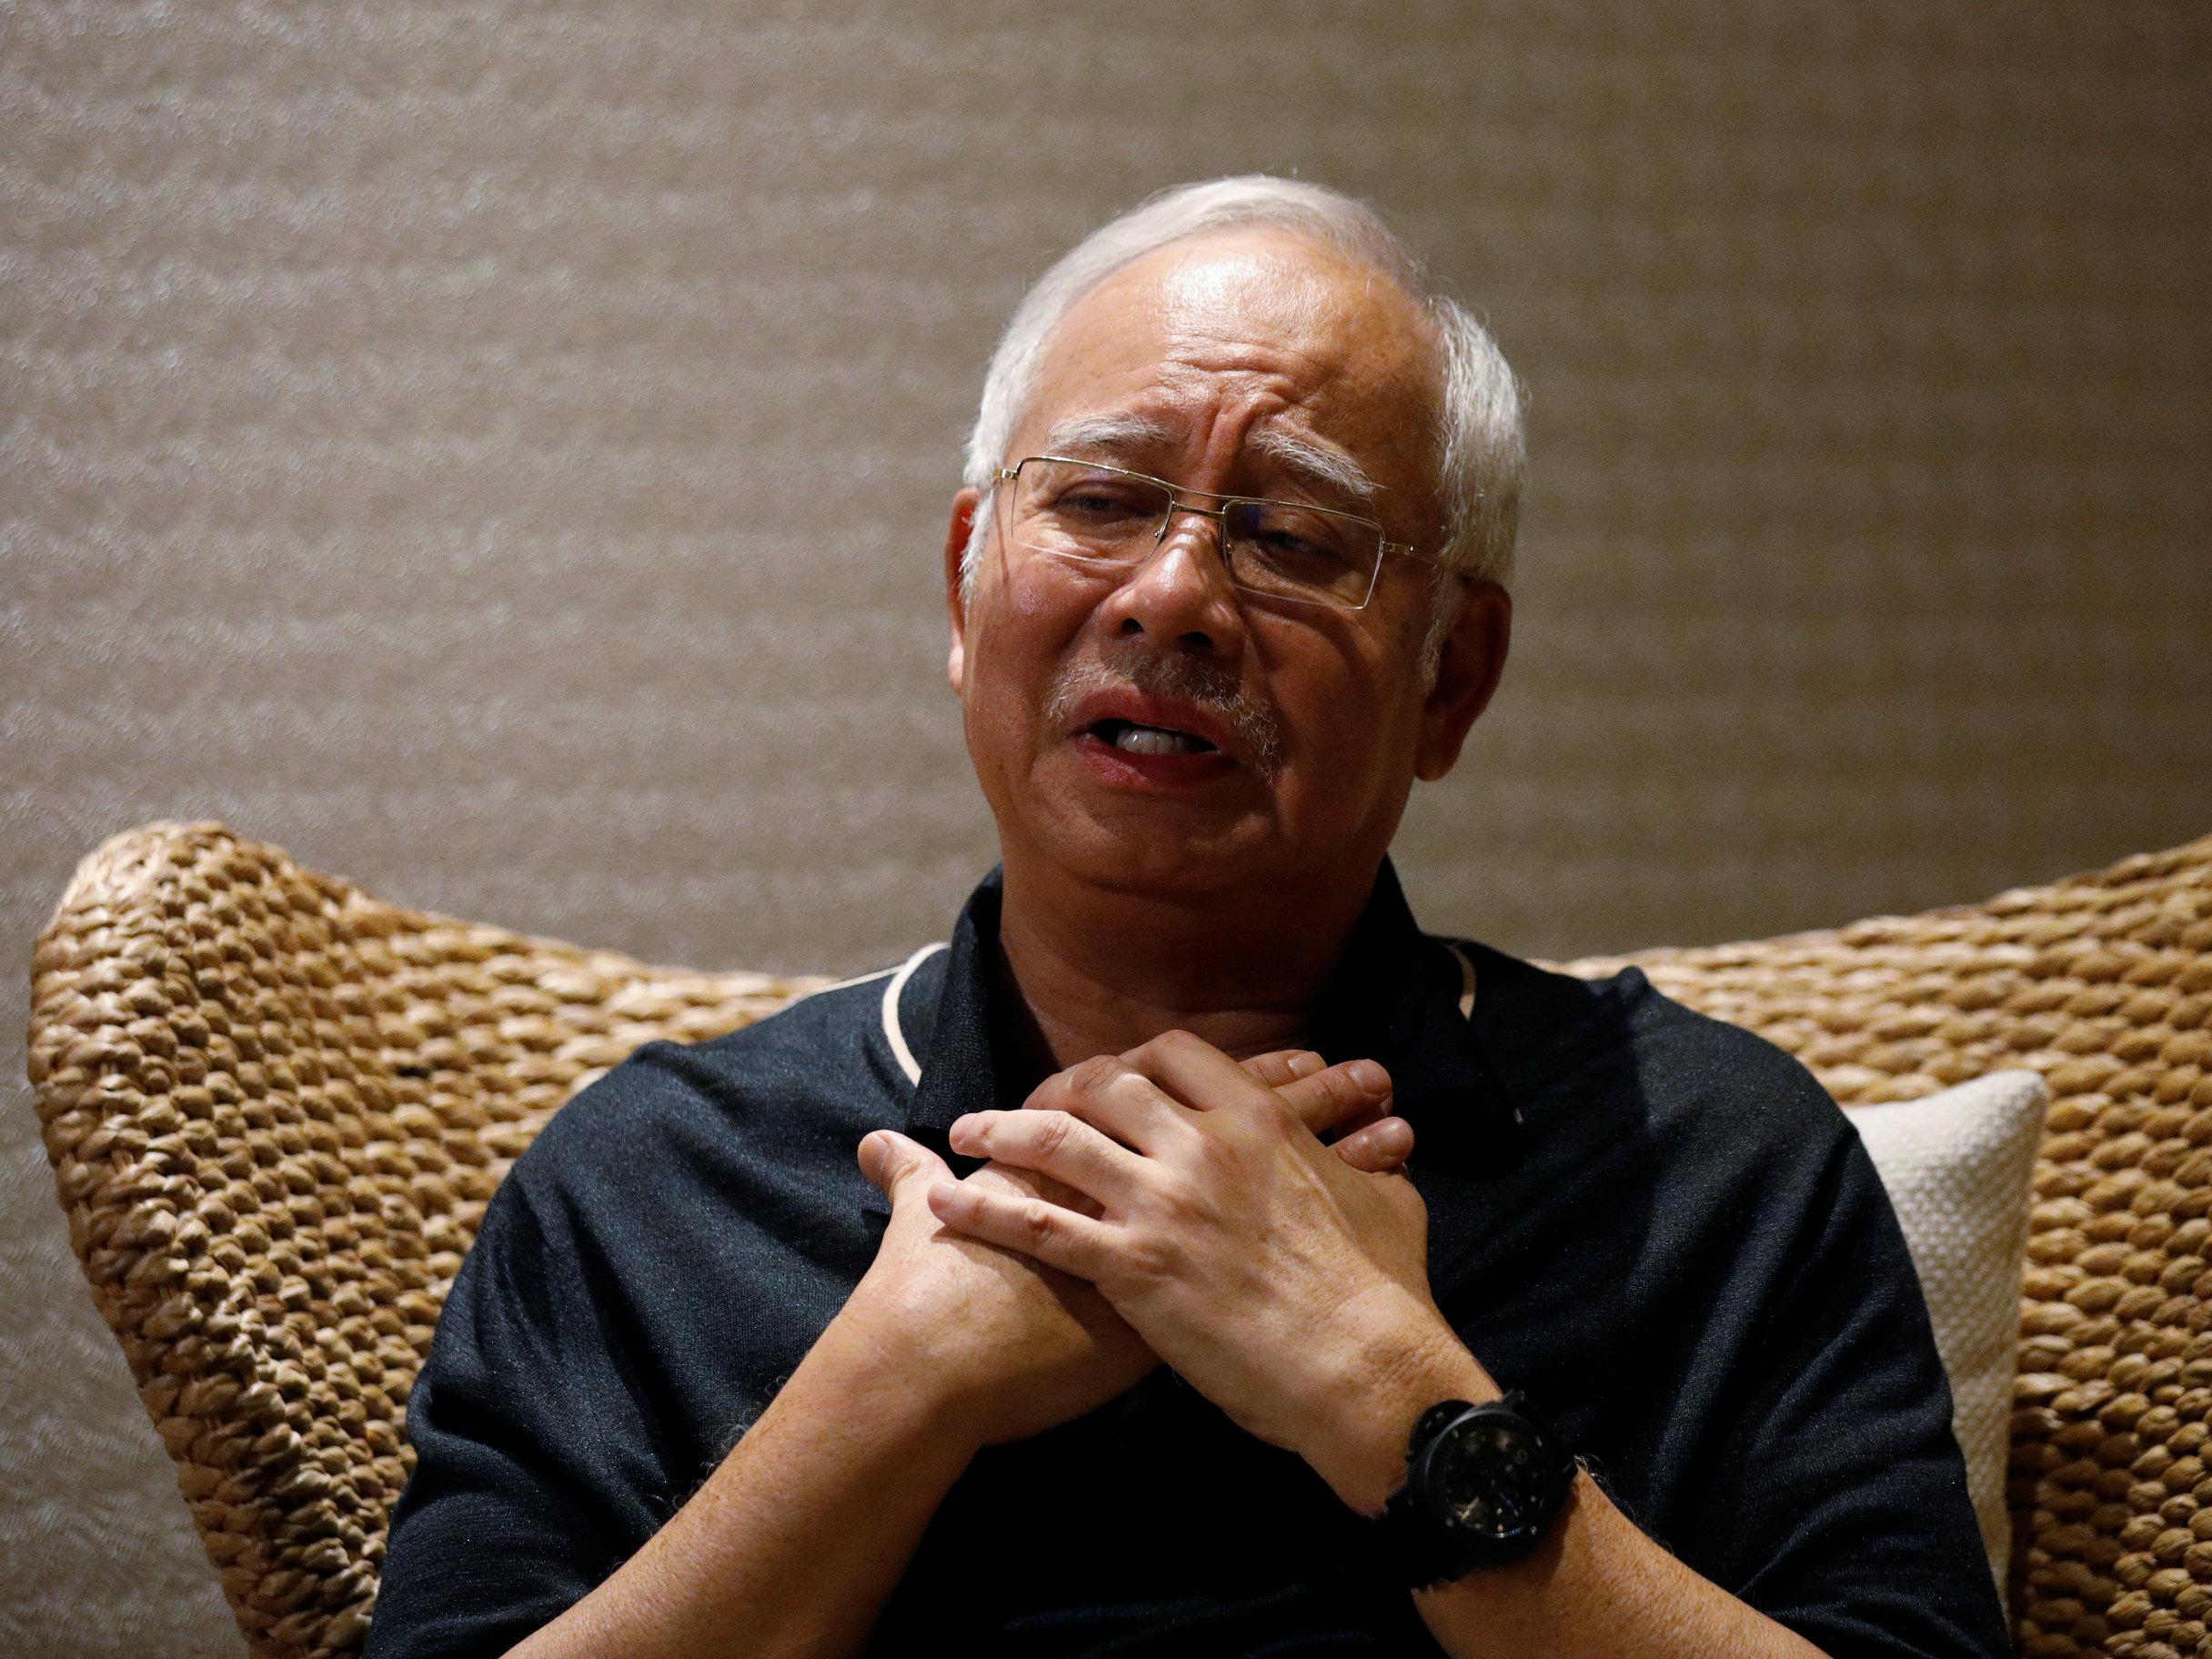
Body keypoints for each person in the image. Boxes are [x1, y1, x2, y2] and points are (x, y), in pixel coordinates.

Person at [365, 177, 2010, 1659]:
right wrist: (892, 1388)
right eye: (1100, 500)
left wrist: (1377, 1381)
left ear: (1453, 677)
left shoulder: (1707, 1165)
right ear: (965, 586)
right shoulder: (657, 1183)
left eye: (1293, 535)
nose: (1171, 597)